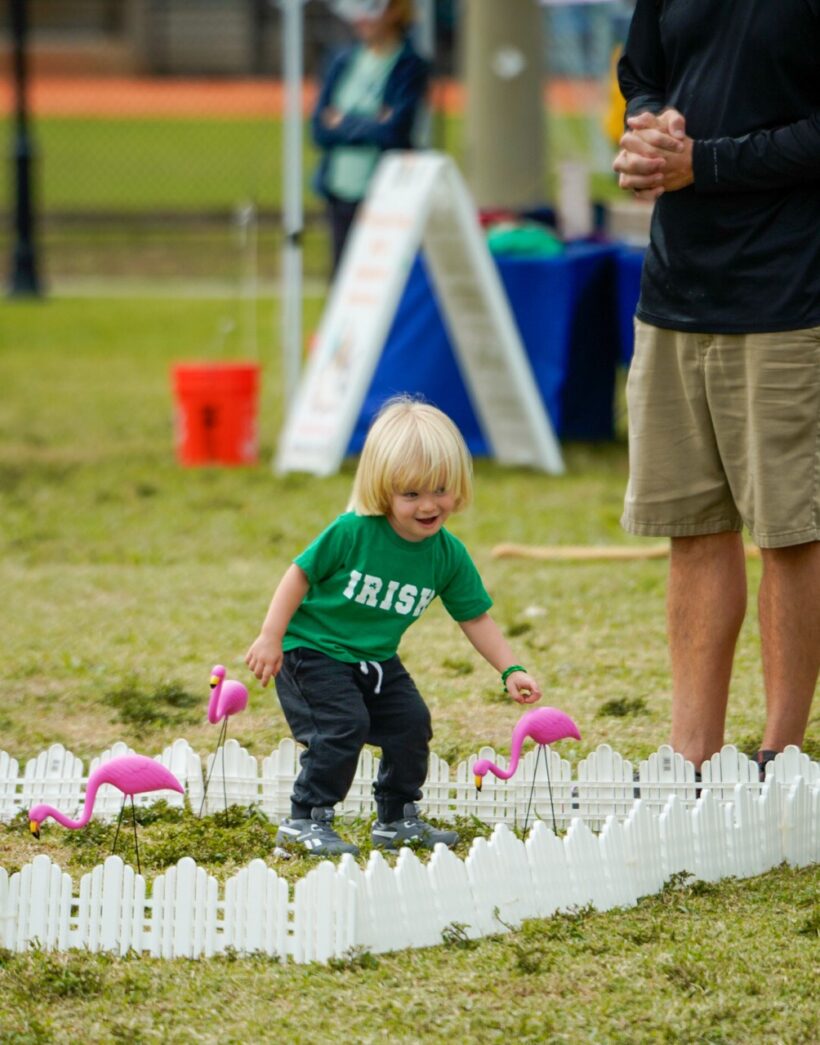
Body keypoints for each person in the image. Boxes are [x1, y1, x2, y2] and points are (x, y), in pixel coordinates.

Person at [611, 0, 820, 778]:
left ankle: (782, 757)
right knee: (692, 525)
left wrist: (707, 164)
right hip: (675, 289)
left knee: (790, 532)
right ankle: (690, 758)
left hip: (789, 293)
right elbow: (642, 76)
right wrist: (648, 130)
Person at [246, 398, 542, 856]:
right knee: (343, 726)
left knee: (410, 724)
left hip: (376, 660)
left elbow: (474, 616)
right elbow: (299, 574)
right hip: (313, 651)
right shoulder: (352, 532)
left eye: (440, 489)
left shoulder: (447, 554)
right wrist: (270, 637)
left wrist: (510, 669)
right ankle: (305, 820)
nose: (428, 505)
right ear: (383, 491)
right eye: (411, 495)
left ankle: (396, 818)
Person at [311, 0, 430, 273]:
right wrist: (370, 123)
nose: (362, 19)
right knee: (342, 278)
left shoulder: (408, 65)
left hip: (385, 193)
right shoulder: (341, 61)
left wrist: (343, 122)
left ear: (394, 12)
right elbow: (319, 129)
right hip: (340, 192)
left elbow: (394, 131)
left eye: (373, 9)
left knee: (383, 277)